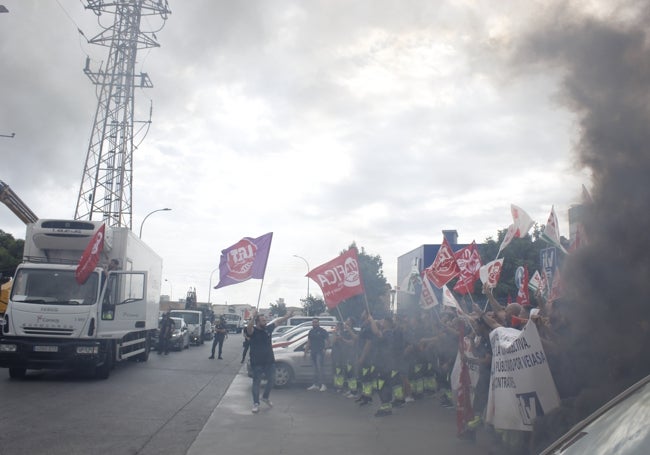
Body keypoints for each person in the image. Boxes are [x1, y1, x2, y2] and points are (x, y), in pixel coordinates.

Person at [247, 309, 293, 414]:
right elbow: (249, 328)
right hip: (257, 362)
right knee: (256, 383)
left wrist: (287, 316)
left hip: (269, 361)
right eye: (263, 320)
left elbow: (278, 322)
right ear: (257, 322)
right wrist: (253, 317)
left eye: (265, 320)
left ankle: (265, 397)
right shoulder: (253, 331)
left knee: (272, 380)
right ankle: (256, 403)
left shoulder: (268, 329)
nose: (265, 322)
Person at [305, 318, 330, 392]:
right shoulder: (311, 331)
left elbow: (328, 341)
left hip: (320, 353)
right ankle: (315, 385)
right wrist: (305, 352)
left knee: (320, 369)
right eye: (313, 322)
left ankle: (323, 385)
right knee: (314, 370)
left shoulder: (323, 331)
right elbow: (308, 342)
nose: (314, 323)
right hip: (313, 352)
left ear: (318, 323)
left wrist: (325, 349)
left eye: (316, 322)